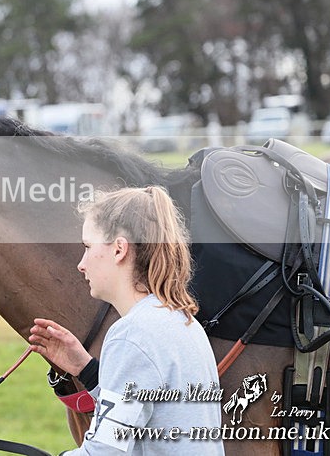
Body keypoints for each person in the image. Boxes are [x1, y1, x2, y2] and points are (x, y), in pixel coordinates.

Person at [28, 186, 224, 455]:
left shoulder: (134, 334)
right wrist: (85, 368)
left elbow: (105, 451)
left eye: (87, 247)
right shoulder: (181, 321)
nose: (81, 264)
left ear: (119, 249)